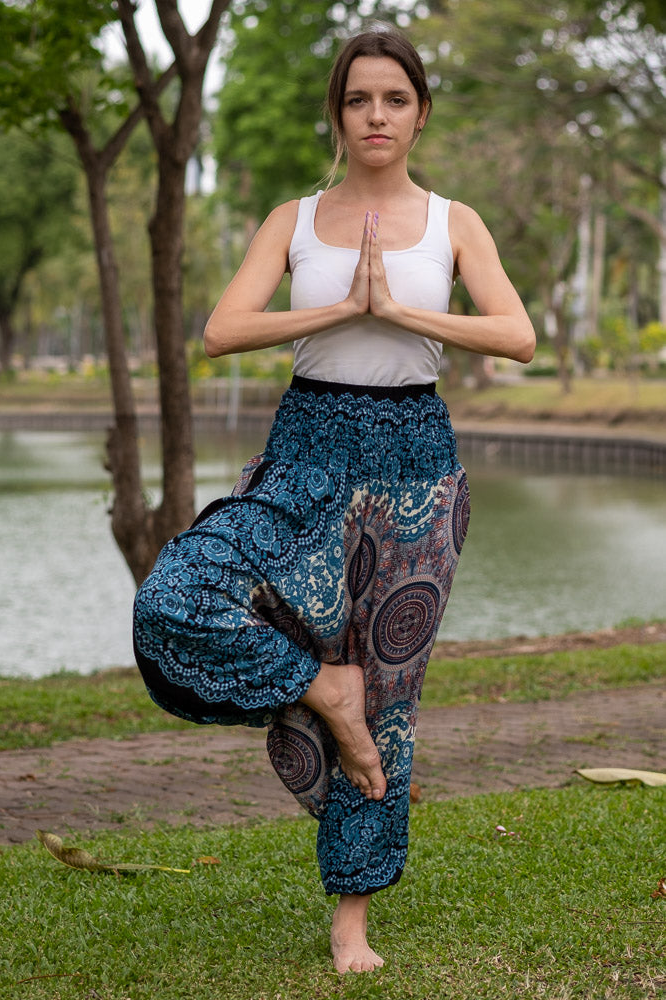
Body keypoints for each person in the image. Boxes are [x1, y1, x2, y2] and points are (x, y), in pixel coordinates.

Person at [133, 27, 535, 975]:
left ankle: (350, 921)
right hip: (307, 448)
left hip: (414, 462)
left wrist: (398, 310)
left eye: (394, 99)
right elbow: (222, 329)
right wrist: (342, 308)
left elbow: (514, 334)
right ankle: (323, 690)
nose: (376, 116)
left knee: (389, 690)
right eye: (359, 100)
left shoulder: (452, 221)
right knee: (177, 599)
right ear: (338, 113)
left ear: (419, 111)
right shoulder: (295, 218)